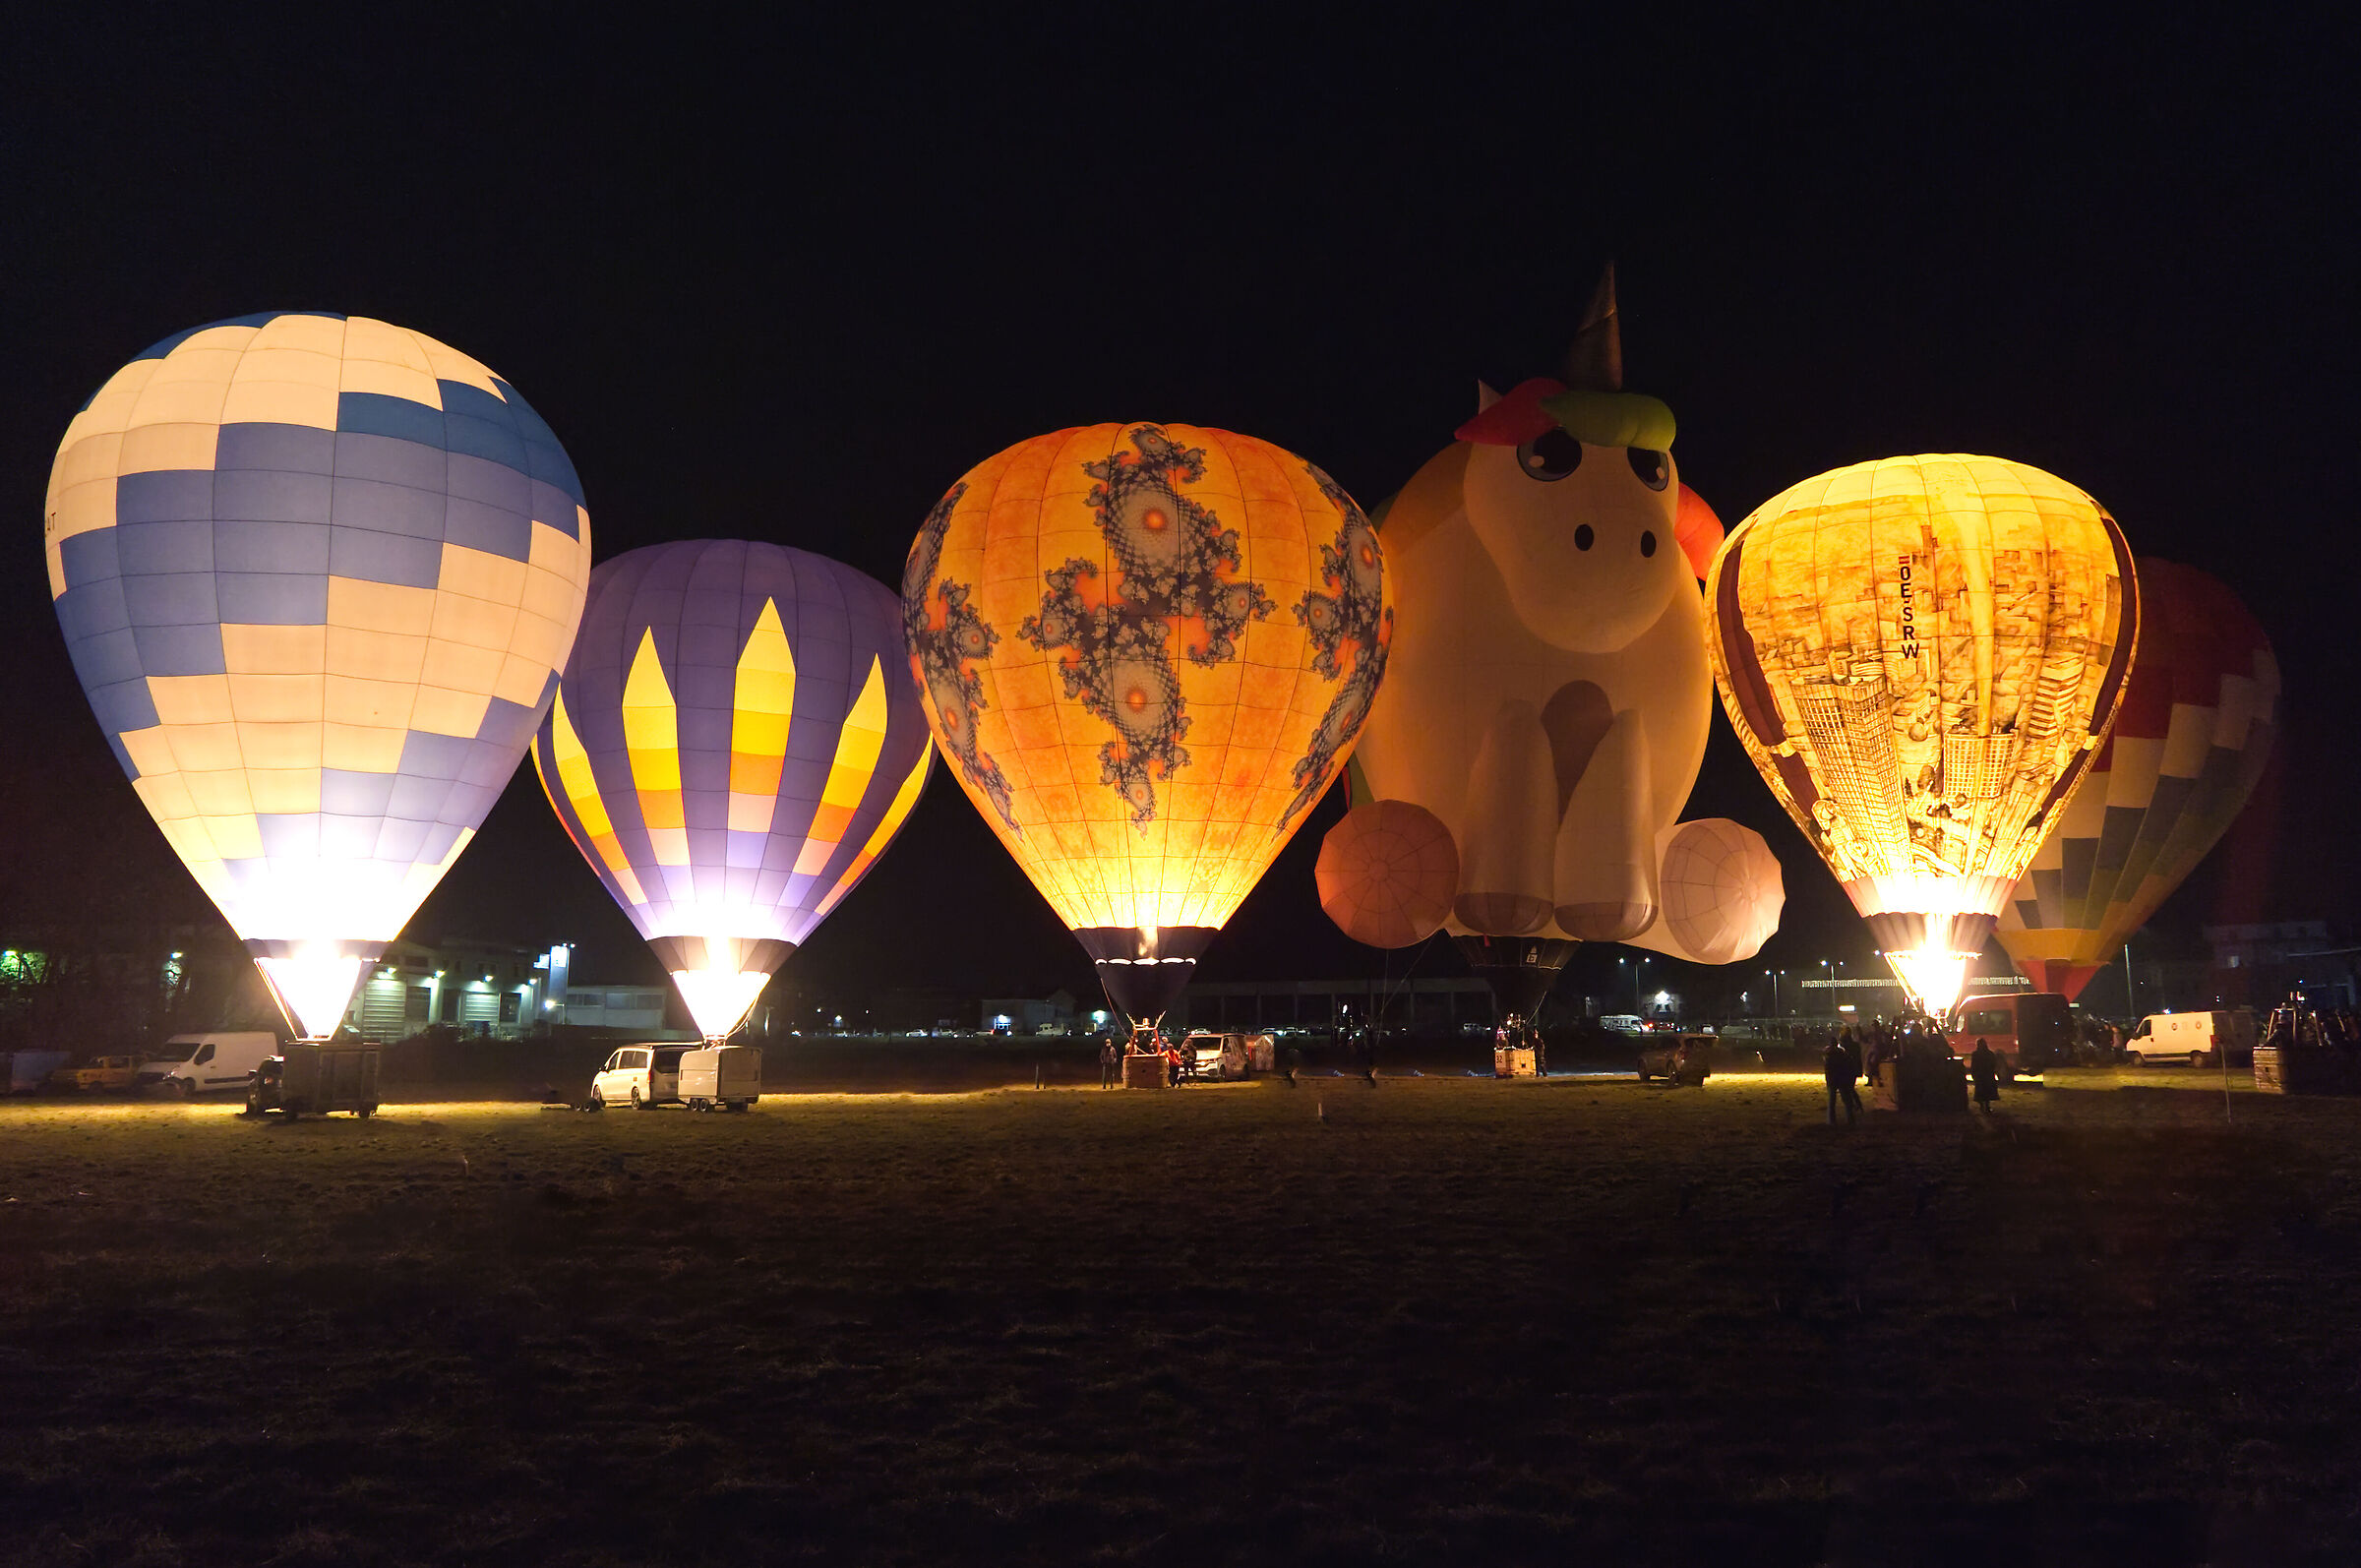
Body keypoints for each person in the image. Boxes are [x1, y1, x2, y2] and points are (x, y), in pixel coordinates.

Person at [1823, 1032, 1860, 1125]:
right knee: (1847, 1100)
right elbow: (1848, 1063)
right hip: (1841, 1078)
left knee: (1832, 1101)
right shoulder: (1842, 1052)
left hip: (1831, 1079)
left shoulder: (1827, 1053)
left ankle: (1831, 1121)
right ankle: (1850, 1119)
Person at [1969, 1037, 2001, 1114]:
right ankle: (1986, 1106)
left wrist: (1973, 1074)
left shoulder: (1975, 1054)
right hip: (1988, 1075)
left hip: (1980, 1075)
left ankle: (1982, 1106)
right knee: (1987, 1092)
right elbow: (1994, 1064)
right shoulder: (1990, 1054)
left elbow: (1973, 1065)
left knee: (1980, 1091)